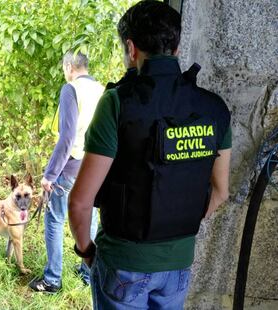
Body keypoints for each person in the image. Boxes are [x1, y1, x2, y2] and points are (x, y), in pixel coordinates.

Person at [68, 1, 232, 309]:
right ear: (176, 47)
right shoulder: (213, 108)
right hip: (178, 266)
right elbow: (221, 192)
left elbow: (79, 201)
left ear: (131, 48)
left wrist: (86, 252)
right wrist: (176, 225)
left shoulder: (118, 103)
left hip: (123, 263)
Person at [29, 50, 104, 293]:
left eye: (64, 69)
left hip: (70, 167)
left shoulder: (71, 89)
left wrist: (49, 175)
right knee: (90, 217)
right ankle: (87, 272)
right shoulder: (103, 90)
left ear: (70, 67)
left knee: (54, 219)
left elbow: (67, 137)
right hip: (94, 168)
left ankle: (52, 279)